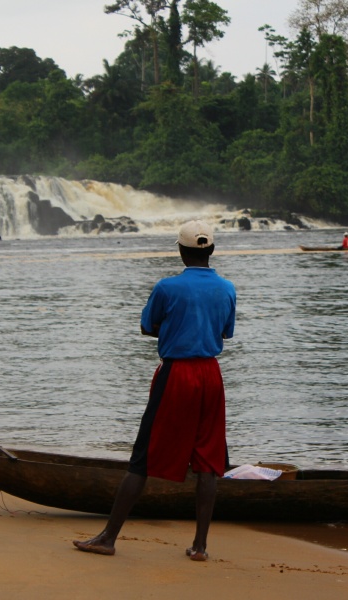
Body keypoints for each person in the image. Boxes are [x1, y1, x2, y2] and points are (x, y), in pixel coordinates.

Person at [73, 220, 236, 562]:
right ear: (212, 251)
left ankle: (108, 538)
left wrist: (174, 328)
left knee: (143, 456)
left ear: (180, 251)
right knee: (208, 460)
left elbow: (148, 326)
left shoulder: (166, 287)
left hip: (177, 373)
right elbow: (224, 334)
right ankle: (200, 546)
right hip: (211, 374)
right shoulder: (227, 288)